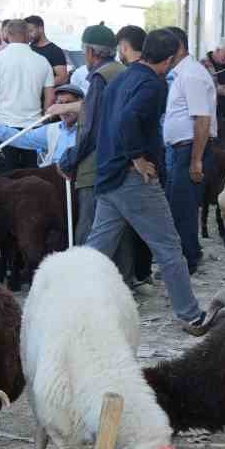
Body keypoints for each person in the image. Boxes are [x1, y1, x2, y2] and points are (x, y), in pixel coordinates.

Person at [84, 28, 204, 328]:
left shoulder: (121, 76)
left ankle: (67, 303)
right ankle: (191, 315)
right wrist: (138, 157)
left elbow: (105, 121)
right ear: (171, 57)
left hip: (109, 174)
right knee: (169, 247)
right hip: (133, 178)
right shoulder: (153, 84)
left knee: (97, 249)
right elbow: (127, 121)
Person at [64, 24, 133, 279]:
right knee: (118, 227)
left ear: (91, 51)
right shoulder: (124, 72)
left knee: (90, 227)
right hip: (121, 163)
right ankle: (123, 282)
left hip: (95, 165)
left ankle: (86, 283)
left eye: (84, 51)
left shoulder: (99, 77)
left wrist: (71, 158)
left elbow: (90, 128)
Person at [164, 35, 217, 272]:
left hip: (190, 149)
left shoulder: (192, 74)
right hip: (182, 149)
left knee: (183, 207)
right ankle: (187, 254)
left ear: (179, 47)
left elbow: (202, 118)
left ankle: (188, 259)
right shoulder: (183, 73)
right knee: (179, 205)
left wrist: (196, 160)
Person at [0, 17, 54, 131]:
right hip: (34, 126)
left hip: (3, 125)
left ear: (7, 34)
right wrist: (44, 121)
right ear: (27, 34)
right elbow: (50, 99)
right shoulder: (43, 61)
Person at [26, 15, 69, 85]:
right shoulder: (27, 49)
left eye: (31, 31)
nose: (28, 35)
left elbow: (62, 78)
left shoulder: (55, 51)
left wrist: (39, 86)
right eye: (26, 32)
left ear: (41, 29)